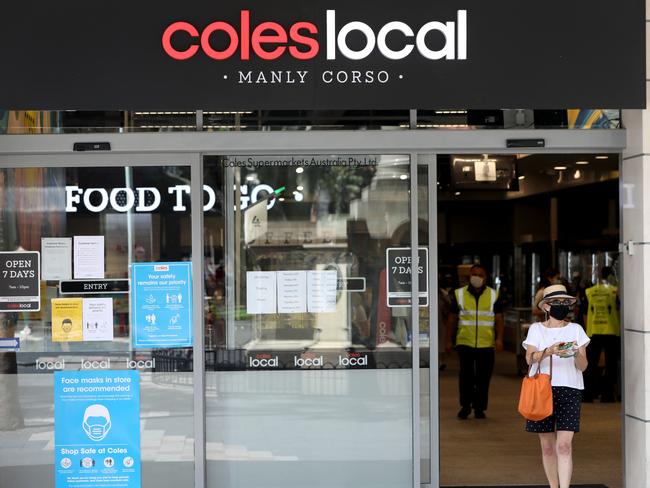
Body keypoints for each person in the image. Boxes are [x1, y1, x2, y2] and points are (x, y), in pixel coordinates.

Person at [522, 284, 590, 488]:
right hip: (542, 391)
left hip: (570, 389)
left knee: (564, 446)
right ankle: (553, 485)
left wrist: (577, 352)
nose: (561, 306)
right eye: (556, 302)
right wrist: (549, 351)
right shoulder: (536, 329)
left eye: (565, 302)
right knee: (548, 447)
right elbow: (529, 359)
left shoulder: (576, 330)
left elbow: (583, 366)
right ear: (545, 307)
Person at [446, 264, 504, 419]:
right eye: (474, 274)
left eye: (480, 275)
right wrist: (448, 340)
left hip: (486, 344)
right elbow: (451, 319)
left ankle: (479, 408)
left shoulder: (493, 295)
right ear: (469, 276)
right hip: (465, 342)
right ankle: (465, 406)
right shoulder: (459, 294)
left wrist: (499, 339)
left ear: (485, 278)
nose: (476, 277)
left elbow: (499, 319)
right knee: (466, 377)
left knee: (483, 378)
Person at [583, 266, 620, 402]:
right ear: (611, 276)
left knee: (591, 364)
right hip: (611, 331)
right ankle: (607, 395)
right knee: (610, 365)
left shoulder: (589, 291)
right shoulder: (615, 291)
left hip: (593, 331)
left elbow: (585, 313)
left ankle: (587, 395)